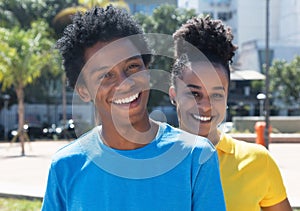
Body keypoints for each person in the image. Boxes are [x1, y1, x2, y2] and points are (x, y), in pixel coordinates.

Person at [41, 6, 226, 210]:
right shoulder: (66, 166)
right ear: (83, 90)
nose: (125, 83)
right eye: (105, 76)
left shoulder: (196, 157)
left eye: (132, 67)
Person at [169, 16, 293, 211]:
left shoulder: (258, 162)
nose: (206, 106)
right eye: (194, 94)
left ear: (227, 97)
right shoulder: (147, 161)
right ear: (173, 94)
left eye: (216, 95)